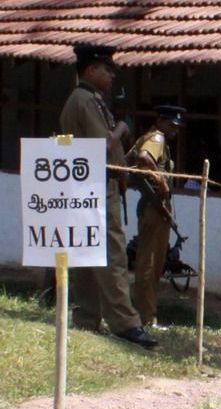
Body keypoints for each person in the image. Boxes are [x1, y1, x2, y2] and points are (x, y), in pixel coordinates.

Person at [59, 44, 158, 349]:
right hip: (97, 187)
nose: (111, 75)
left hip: (92, 186)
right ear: (90, 69)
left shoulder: (87, 99)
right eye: (106, 69)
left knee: (87, 254)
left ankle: (87, 317)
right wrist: (122, 128)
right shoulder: (86, 101)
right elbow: (102, 145)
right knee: (112, 255)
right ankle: (125, 322)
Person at [129, 105, 186, 328]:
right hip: (153, 208)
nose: (175, 130)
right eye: (172, 124)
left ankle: (147, 315)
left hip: (156, 209)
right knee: (149, 265)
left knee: (152, 263)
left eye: (177, 126)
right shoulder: (156, 137)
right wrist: (160, 179)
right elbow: (144, 157)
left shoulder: (155, 137)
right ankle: (146, 319)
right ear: (160, 121)